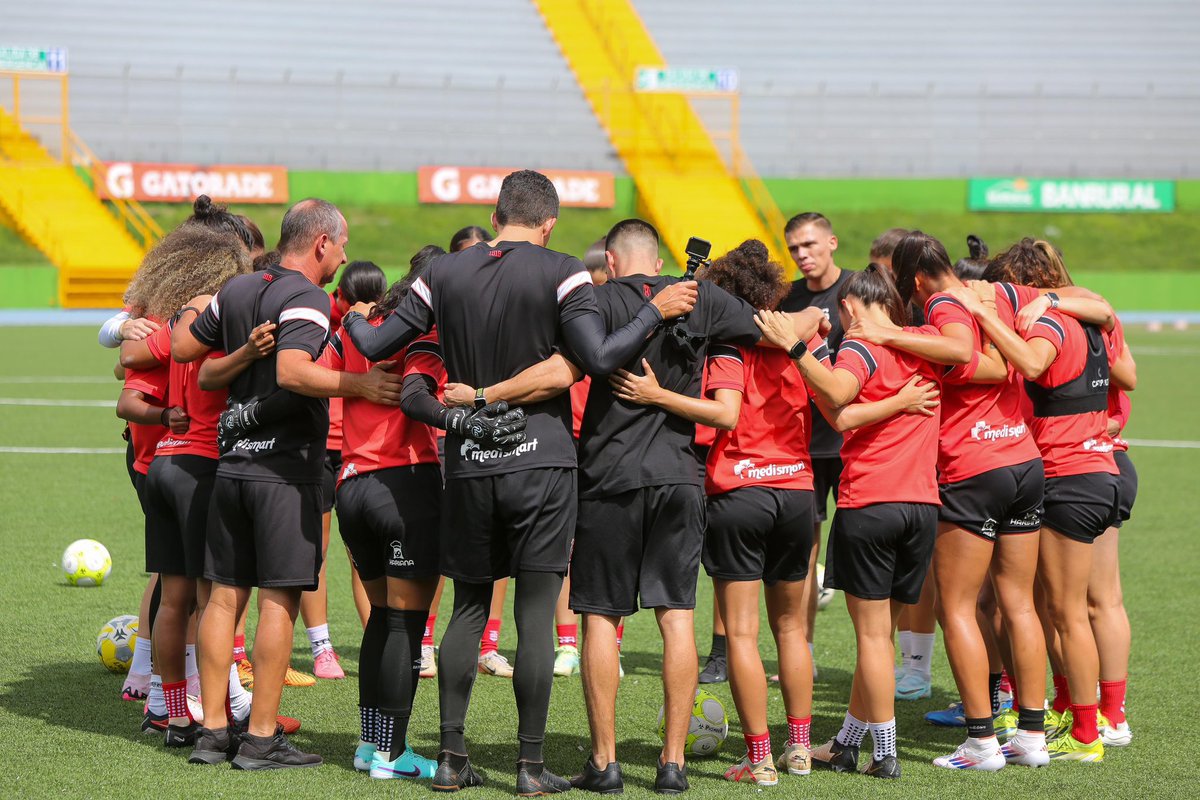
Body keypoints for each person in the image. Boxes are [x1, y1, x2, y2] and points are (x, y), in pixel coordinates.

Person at [341, 170, 698, 794]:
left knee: (469, 608)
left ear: (497, 211)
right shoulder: (564, 270)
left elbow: (374, 343)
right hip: (543, 461)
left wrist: (350, 318)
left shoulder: (444, 272)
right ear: (549, 221)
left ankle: (450, 759)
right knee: (536, 615)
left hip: (469, 461)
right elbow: (601, 357)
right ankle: (530, 768)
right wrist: (652, 311)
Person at [563, 226, 825, 794]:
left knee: (601, 620)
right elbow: (771, 325)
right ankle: (672, 765)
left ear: (610, 260)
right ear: (659, 261)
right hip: (680, 478)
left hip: (607, 479)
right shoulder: (698, 298)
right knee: (677, 617)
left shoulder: (595, 297)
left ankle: (605, 763)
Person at [172, 198, 397, 769]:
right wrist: (361, 386)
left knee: (224, 598)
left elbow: (183, 348)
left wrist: (239, 352)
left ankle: (215, 730)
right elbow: (293, 372)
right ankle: (262, 737)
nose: (343, 259)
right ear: (321, 243)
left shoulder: (239, 287)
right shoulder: (309, 297)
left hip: (233, 466)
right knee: (279, 599)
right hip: (284, 473)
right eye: (341, 247)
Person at [756, 264, 946, 781]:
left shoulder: (861, 347)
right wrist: (819, 359)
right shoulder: (925, 342)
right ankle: (846, 743)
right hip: (922, 507)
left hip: (872, 504)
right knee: (880, 638)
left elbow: (838, 398)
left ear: (849, 306)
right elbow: (839, 408)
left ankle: (884, 752)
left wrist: (797, 350)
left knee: (870, 639)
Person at [950, 238, 1127, 763]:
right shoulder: (1088, 318)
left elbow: (1028, 362)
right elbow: (1110, 328)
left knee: (1067, 612)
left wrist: (987, 317)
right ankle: (1084, 715)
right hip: (1099, 468)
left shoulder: (1052, 322)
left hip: (1070, 476)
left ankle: (1088, 735)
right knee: (1074, 607)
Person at [882, 231, 1048, 770]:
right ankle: (1030, 735)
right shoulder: (993, 293)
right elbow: (1085, 305)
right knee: (1017, 604)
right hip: (1022, 460)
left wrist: (890, 334)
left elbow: (965, 354)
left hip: (974, 469)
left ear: (913, 279)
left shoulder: (939, 305)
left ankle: (981, 742)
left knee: (956, 607)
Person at [119, 226, 254, 745]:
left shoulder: (175, 323)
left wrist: (122, 331)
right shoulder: (218, 318)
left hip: (163, 467)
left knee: (173, 601)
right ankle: (222, 712)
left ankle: (176, 715)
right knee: (211, 599)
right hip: (202, 466)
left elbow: (129, 358)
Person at [321, 262, 448, 781]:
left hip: (350, 484)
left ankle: (370, 742)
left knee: (381, 618)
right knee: (405, 624)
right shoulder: (426, 333)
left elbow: (316, 370)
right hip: (405, 487)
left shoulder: (358, 331)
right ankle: (391, 756)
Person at [774, 212, 854, 682]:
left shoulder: (857, 290)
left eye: (809, 245)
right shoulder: (788, 297)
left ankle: (904, 660)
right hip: (804, 443)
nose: (802, 255)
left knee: (866, 546)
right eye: (794, 249)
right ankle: (800, 652)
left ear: (832, 241)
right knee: (805, 552)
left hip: (852, 439)